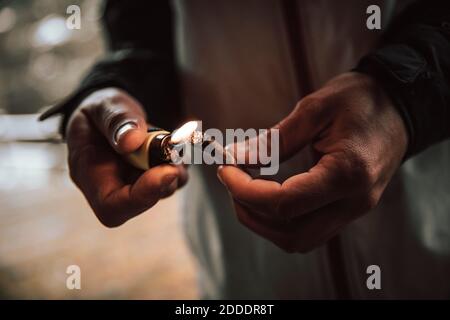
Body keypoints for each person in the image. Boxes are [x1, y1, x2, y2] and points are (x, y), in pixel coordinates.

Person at [41, 0, 450, 298]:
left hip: (427, 251)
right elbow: (142, 26)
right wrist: (118, 86)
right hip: (244, 278)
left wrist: (404, 96)